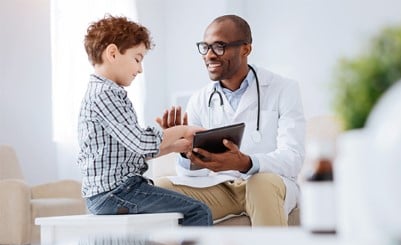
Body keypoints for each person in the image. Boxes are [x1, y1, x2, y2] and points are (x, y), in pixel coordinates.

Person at [155, 15, 305, 226]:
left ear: (245, 49)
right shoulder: (199, 99)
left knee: (260, 184)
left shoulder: (284, 89)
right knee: (160, 189)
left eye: (219, 46)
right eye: (205, 47)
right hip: (222, 187)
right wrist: (182, 147)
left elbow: (293, 158)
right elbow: (189, 174)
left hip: (269, 182)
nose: (209, 55)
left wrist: (246, 163)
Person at [77, 15, 212, 226]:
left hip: (111, 192)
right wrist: (184, 129)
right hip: (115, 192)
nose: (140, 69)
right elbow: (140, 143)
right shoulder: (106, 94)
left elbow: (130, 152)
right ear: (113, 53)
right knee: (198, 211)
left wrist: (177, 146)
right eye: (137, 59)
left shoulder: (105, 92)